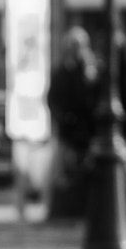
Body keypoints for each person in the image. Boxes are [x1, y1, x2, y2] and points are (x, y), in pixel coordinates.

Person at [46, 27, 101, 219]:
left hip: (87, 134)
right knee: (61, 174)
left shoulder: (91, 71)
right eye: (73, 45)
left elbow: (94, 100)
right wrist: (65, 118)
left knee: (85, 174)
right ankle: (60, 211)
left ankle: (84, 210)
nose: (77, 50)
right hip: (68, 133)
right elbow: (53, 99)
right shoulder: (63, 71)